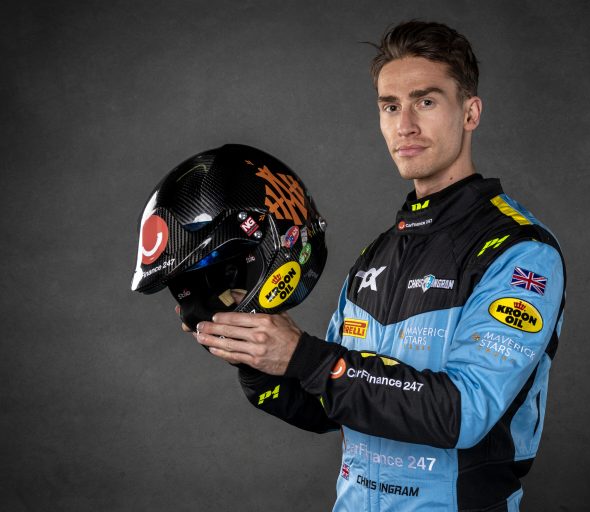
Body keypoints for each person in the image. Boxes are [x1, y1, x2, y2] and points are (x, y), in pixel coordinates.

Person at [192, 21, 566, 512]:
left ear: (470, 112)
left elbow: (464, 413)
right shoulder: (378, 253)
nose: (404, 125)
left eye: (425, 101)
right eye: (390, 106)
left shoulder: (520, 250)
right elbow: (329, 407)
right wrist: (255, 356)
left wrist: (305, 357)